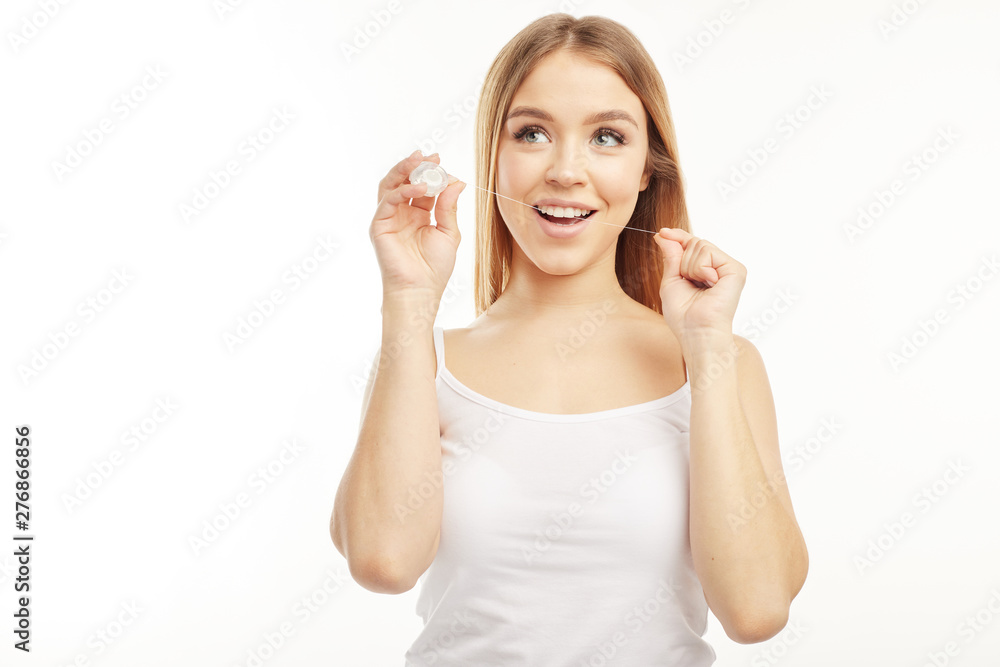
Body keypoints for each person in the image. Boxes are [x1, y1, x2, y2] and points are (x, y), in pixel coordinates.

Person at [331, 12, 808, 665]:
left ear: (647, 169)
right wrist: (408, 301)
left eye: (607, 136)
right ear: (493, 155)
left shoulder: (718, 361)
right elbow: (383, 559)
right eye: (532, 133)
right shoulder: (428, 362)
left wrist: (708, 353)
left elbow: (756, 609)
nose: (565, 170)